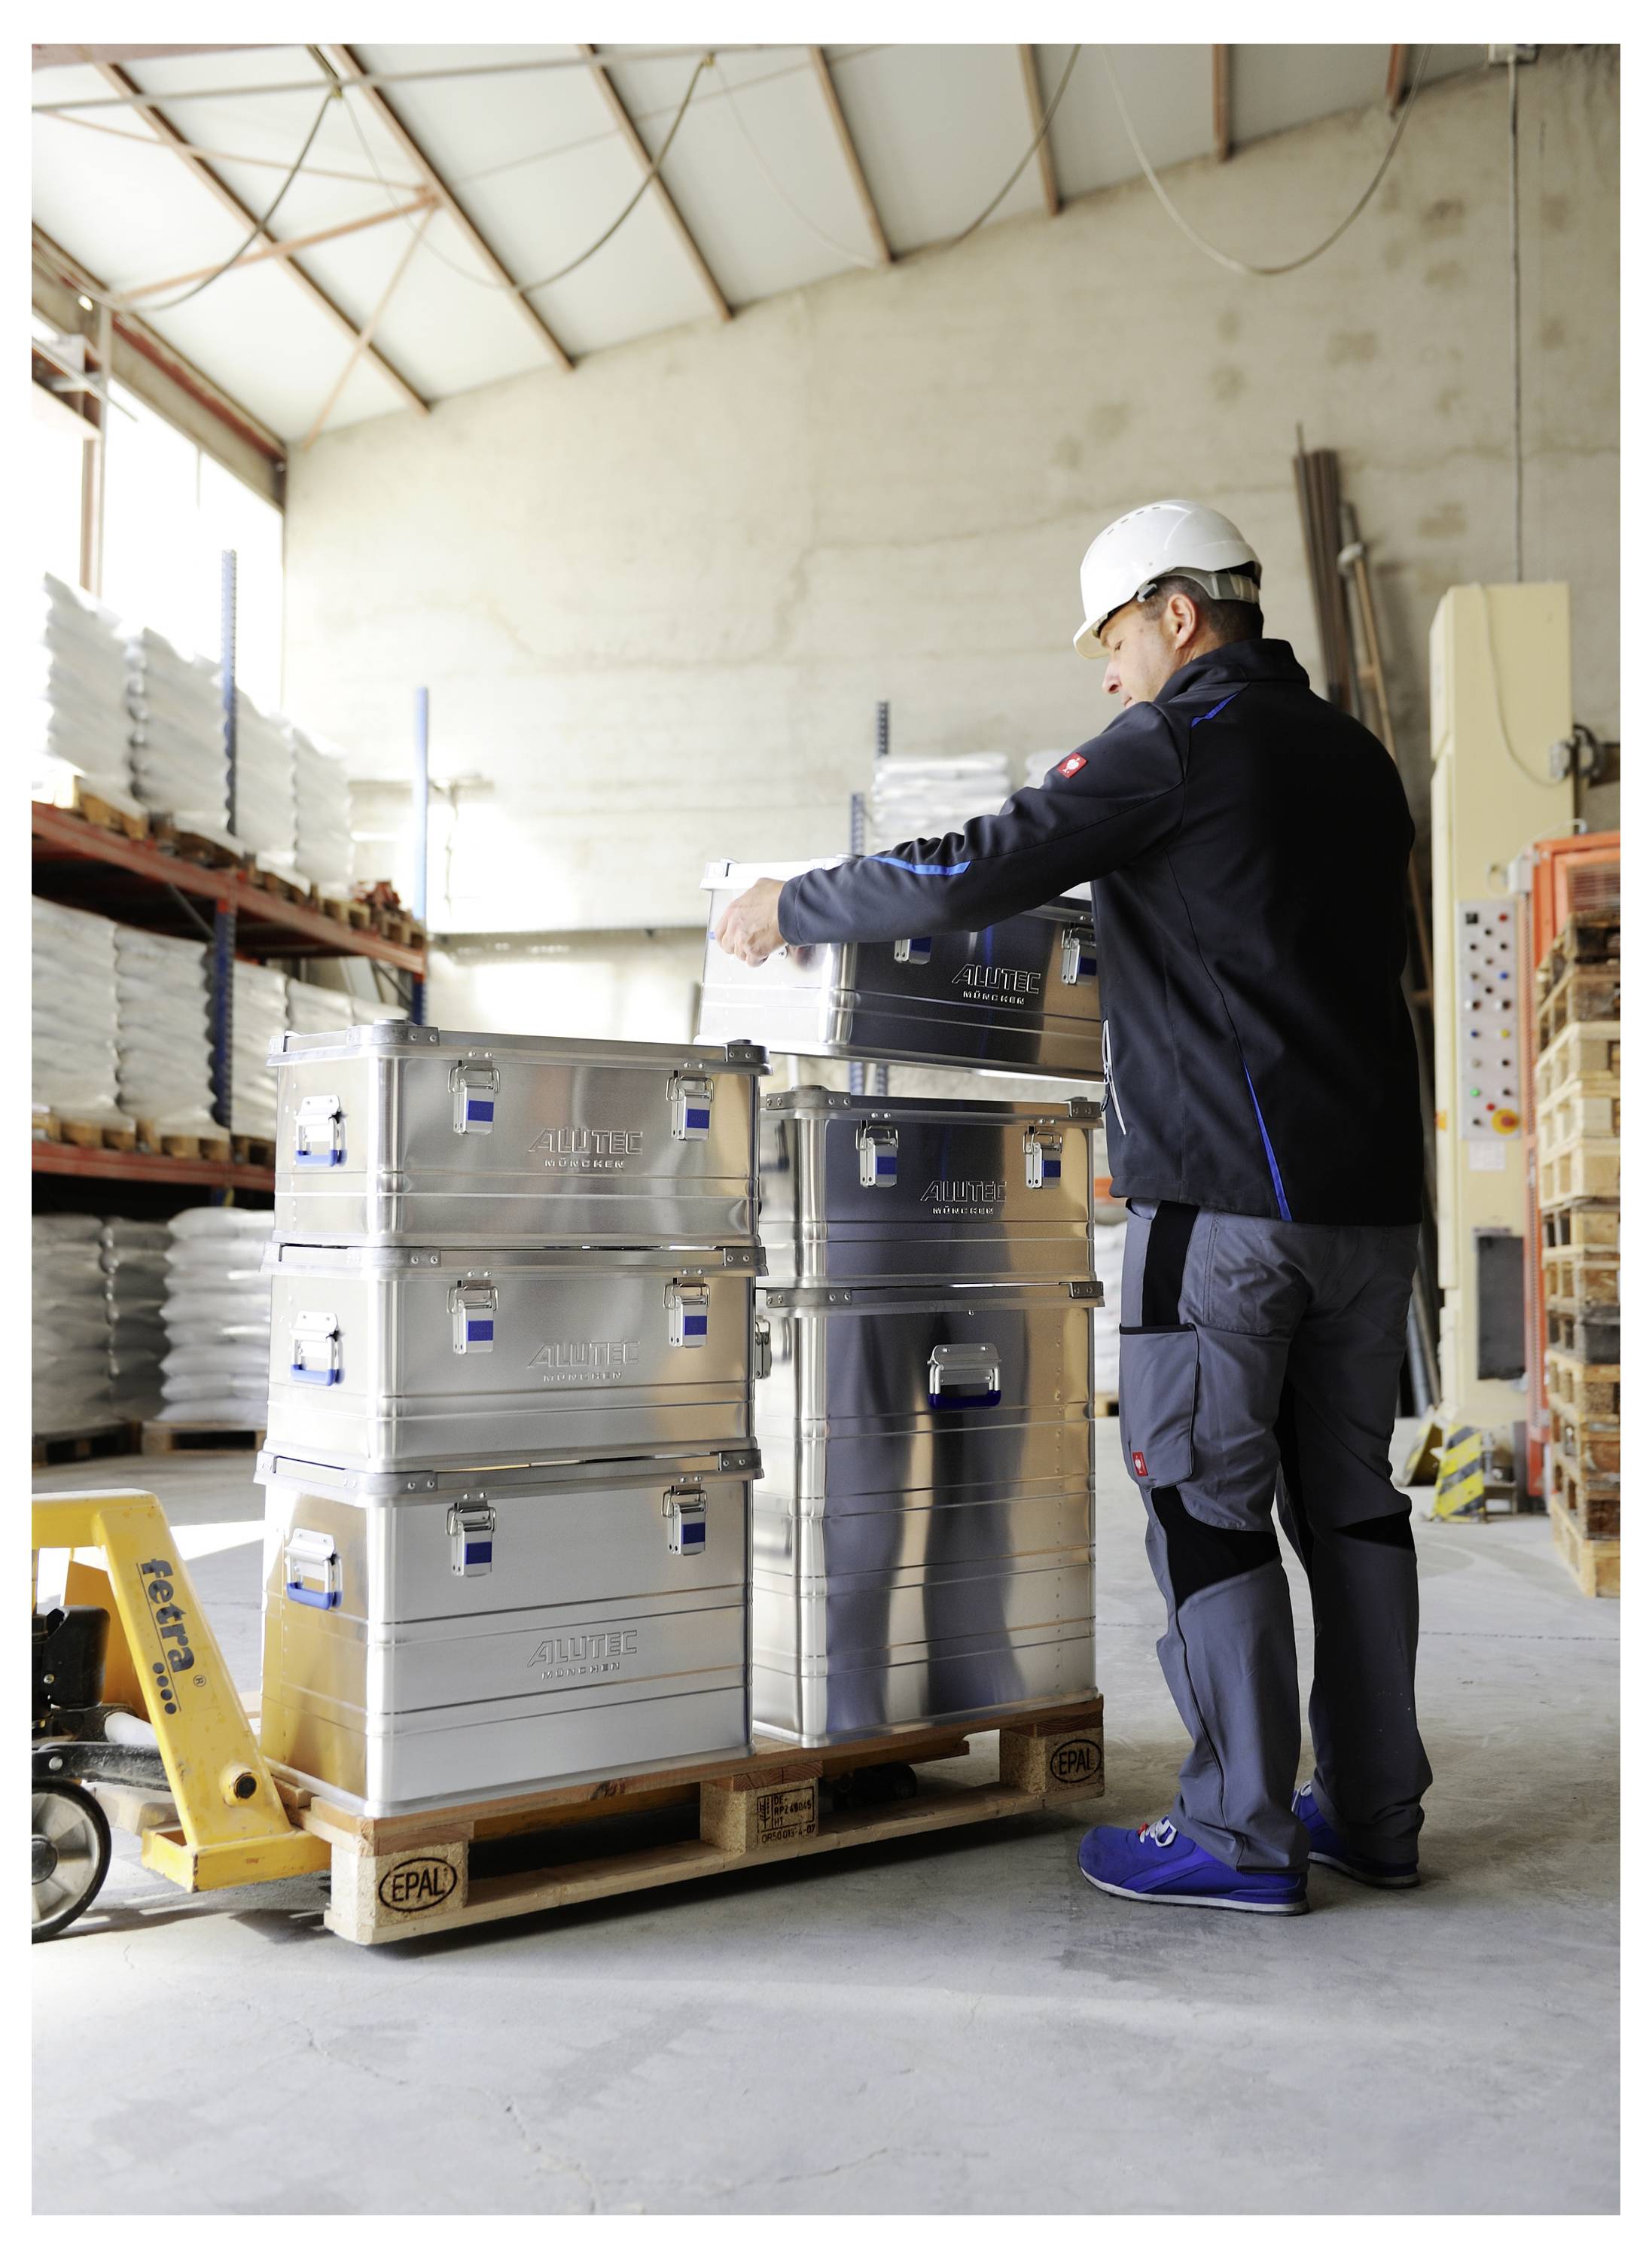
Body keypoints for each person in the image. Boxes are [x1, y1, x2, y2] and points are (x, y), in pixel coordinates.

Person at [713, 498, 1431, 1916]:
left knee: (1204, 1504)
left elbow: (979, 860)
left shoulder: (1172, 745)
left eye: (1113, 638)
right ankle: (1372, 1814)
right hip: (1370, 1217)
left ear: (1176, 613)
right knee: (1351, 1509)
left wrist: (791, 904)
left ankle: (1234, 1834)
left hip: (1220, 1212)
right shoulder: (1358, 760)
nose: (1107, 673)